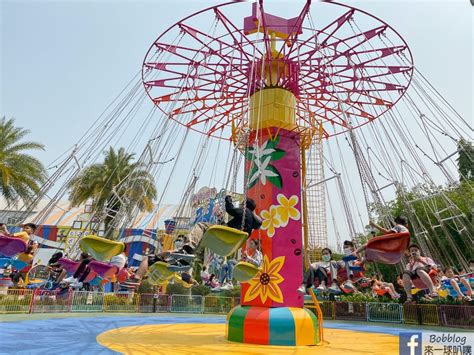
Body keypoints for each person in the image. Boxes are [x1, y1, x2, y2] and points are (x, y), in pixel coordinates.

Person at [130, 195, 262, 284]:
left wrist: (228, 199)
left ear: (245, 205)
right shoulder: (252, 220)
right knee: (201, 242)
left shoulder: (243, 212)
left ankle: (188, 249)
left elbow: (230, 209)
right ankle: (186, 255)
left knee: (201, 226)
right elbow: (258, 223)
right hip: (235, 242)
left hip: (227, 234)